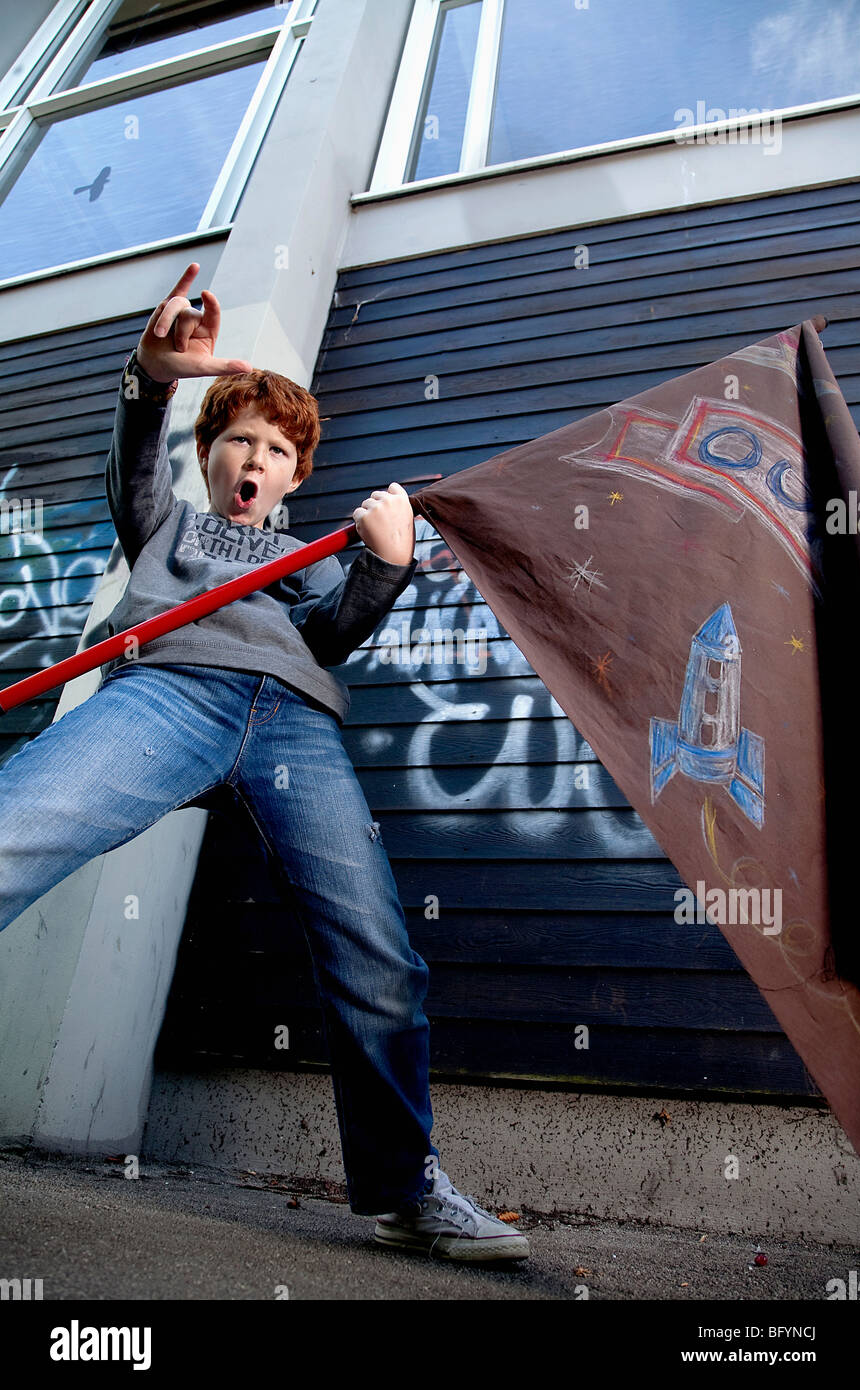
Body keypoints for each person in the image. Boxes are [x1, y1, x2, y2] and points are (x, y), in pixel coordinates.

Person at [0, 262, 529, 1263]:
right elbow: (132, 465)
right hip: (170, 693)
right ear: (211, 456)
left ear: (294, 475)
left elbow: (329, 635)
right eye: (238, 437)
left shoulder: (313, 554)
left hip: (293, 726)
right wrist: (147, 381)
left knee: (378, 951)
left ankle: (402, 1188)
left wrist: (383, 561)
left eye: (276, 448)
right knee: (11, 826)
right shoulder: (170, 522)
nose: (255, 455)